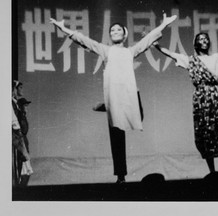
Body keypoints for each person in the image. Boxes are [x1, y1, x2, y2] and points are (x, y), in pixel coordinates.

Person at [50, 12, 177, 183]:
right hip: (114, 94)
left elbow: (147, 40)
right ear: (110, 35)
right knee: (117, 135)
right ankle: (121, 175)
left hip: (129, 92)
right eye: (112, 30)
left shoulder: (131, 51)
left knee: (139, 116)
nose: (115, 31)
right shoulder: (105, 50)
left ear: (124, 34)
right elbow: (83, 40)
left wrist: (164, 24)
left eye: (118, 29)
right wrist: (63, 27)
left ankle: (106, 106)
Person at [153, 24, 218, 173]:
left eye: (205, 39)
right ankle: (212, 171)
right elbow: (169, 53)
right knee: (205, 131)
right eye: (200, 39)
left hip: (216, 95)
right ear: (196, 43)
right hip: (201, 98)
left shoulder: (216, 57)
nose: (203, 41)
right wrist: (155, 42)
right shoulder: (190, 60)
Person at [12, 80, 33, 186]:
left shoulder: (19, 110)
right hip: (19, 142)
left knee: (25, 171)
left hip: (22, 141)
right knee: (21, 172)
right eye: (19, 88)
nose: (26, 107)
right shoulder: (15, 108)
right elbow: (19, 128)